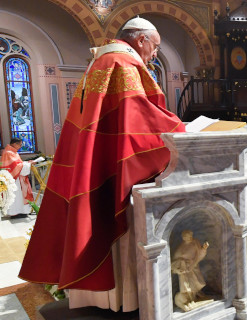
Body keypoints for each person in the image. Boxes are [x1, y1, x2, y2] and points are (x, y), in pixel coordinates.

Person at [20, 17, 185, 311]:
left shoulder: (102, 59)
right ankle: (123, 301)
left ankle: (103, 299)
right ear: (141, 40)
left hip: (97, 156)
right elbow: (143, 118)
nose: (156, 53)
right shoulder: (124, 63)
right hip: (113, 160)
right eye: (156, 46)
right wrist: (180, 130)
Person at [0, 137, 35, 217]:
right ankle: (15, 213)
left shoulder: (12, 152)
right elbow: (16, 166)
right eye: (19, 144)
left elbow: (18, 164)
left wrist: (26, 163)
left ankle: (21, 211)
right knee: (16, 196)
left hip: (16, 178)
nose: (20, 146)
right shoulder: (9, 152)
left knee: (19, 196)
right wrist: (29, 164)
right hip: (13, 179)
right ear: (14, 144)